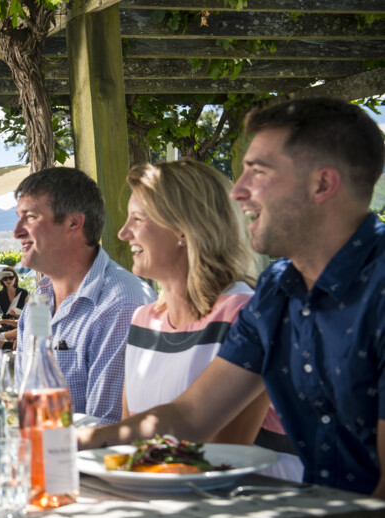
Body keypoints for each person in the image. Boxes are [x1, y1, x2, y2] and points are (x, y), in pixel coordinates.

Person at [78, 97, 385, 498]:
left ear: (322, 184)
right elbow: (191, 415)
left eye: (258, 172)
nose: (238, 191)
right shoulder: (277, 289)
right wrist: (69, 443)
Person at [118, 159, 302, 481]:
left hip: (255, 497)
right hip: (159, 491)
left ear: (182, 228)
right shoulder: (144, 319)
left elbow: (220, 458)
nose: (123, 233)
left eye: (138, 218)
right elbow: (126, 439)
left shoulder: (245, 314)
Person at [12, 167, 156, 424]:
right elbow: (23, 411)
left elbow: (107, 428)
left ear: (73, 223)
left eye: (30, 217)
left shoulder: (121, 304)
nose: (17, 231)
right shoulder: (37, 305)